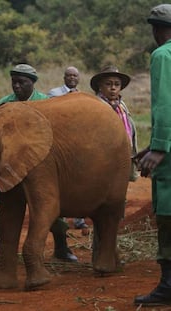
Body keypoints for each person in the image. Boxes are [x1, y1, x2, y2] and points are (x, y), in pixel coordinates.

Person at [0, 63, 78, 262]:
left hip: (41, 167)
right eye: (14, 82)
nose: (16, 87)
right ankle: (4, 255)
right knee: (5, 213)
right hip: (11, 166)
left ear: (32, 83)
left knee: (50, 210)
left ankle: (61, 248)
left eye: (21, 82)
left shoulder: (46, 103)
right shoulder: (4, 104)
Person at [133, 4, 171, 306]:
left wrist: (159, 147)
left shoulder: (162, 55)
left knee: (168, 214)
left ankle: (168, 286)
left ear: (157, 29)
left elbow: (164, 104)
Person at [47, 66, 89, 233]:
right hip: (60, 144)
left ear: (78, 78)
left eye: (75, 76)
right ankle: (60, 219)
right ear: (64, 77)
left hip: (78, 145)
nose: (72, 78)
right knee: (61, 182)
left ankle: (80, 219)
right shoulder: (54, 93)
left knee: (79, 181)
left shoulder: (83, 96)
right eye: (69, 75)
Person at [90, 65, 138, 182]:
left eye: (117, 84)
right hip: (103, 156)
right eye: (108, 84)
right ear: (100, 87)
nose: (113, 88)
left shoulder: (122, 106)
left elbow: (130, 131)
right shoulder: (94, 105)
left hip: (123, 152)